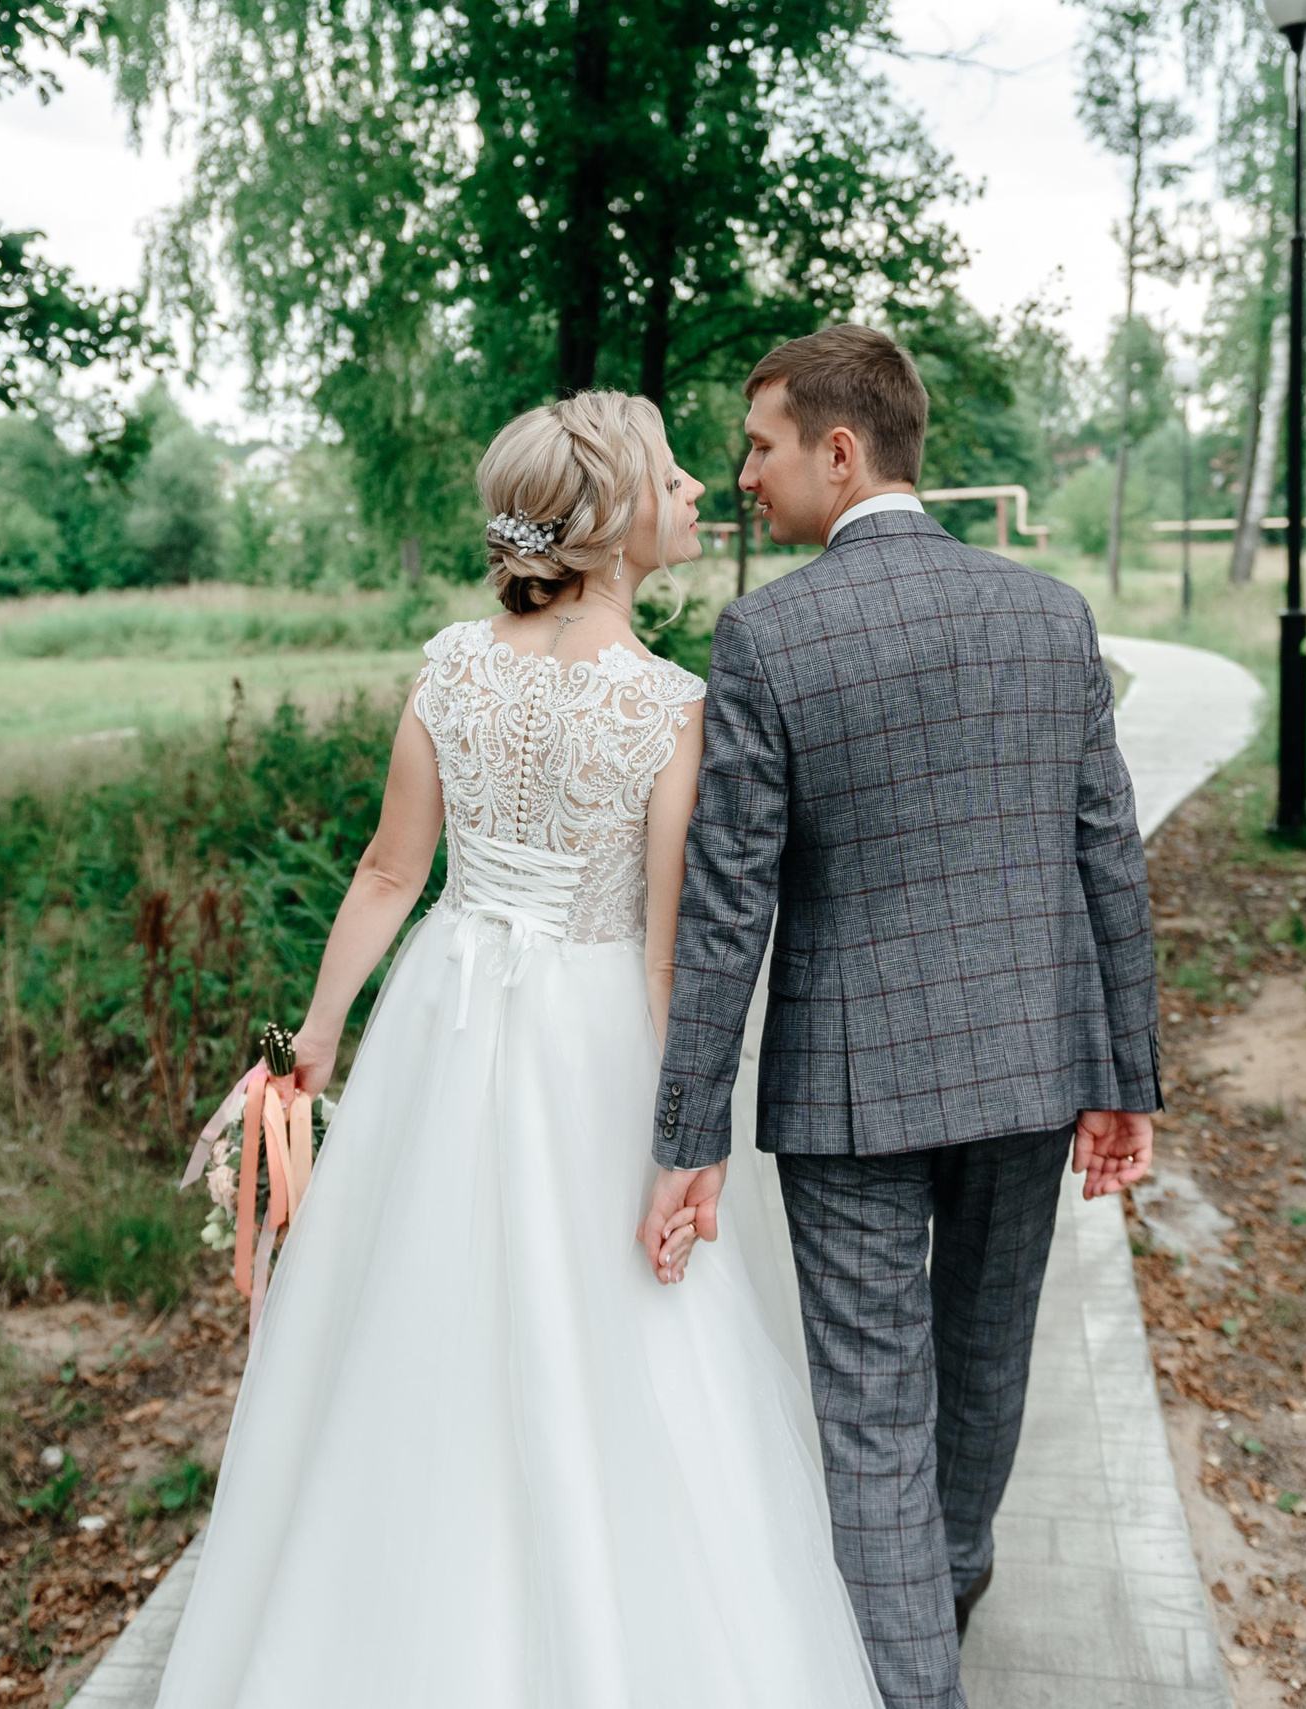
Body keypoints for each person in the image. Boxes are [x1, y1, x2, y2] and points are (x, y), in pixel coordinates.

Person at [151, 391, 886, 1707]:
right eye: (671, 476)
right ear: (608, 521)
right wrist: (686, 1142)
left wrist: (315, 1040)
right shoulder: (671, 706)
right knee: (616, 1335)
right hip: (590, 1036)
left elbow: (389, 871)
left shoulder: (451, 663)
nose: (698, 491)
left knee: (413, 1312)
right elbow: (668, 957)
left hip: (447, 1016)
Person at [642, 323, 1162, 1709]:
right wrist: (1127, 1079)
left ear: (838, 449)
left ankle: (910, 1664)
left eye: (758, 447)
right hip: (1031, 1067)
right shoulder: (1050, 614)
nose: (742, 475)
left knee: (873, 1412)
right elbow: (1105, 852)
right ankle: (949, 1577)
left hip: (852, 1094)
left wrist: (686, 1129)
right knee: (986, 1355)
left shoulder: (767, 633)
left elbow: (726, 904)